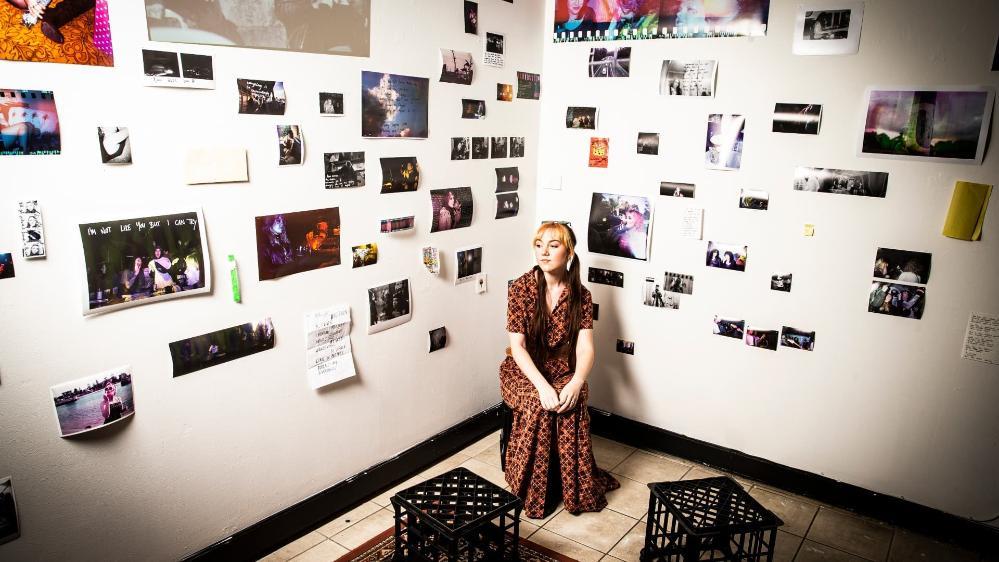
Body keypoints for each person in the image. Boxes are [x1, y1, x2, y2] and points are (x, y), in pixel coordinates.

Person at [500, 222, 619, 518]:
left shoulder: (581, 294)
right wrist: (542, 386)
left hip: (562, 367)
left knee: (570, 400)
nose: (544, 251)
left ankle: (571, 487)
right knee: (539, 405)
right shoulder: (520, 288)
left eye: (553, 245)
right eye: (539, 244)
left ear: (569, 252)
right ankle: (533, 490)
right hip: (523, 368)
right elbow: (518, 347)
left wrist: (578, 380)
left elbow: (585, 347)